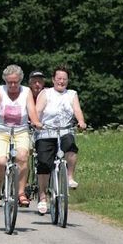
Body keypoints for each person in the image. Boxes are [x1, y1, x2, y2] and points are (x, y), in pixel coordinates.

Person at [0, 64, 41, 210]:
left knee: (23, 156)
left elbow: (31, 110)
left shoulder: (26, 91)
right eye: (9, 82)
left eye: (15, 82)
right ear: (5, 81)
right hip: (2, 132)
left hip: (21, 131)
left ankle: (21, 192)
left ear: (20, 80)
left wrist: (35, 122)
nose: (13, 85)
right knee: (1, 161)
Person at [35, 65, 86, 214]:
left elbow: (77, 110)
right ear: (53, 80)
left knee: (71, 145)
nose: (61, 81)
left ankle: (70, 177)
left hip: (65, 130)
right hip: (46, 132)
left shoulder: (72, 94)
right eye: (59, 79)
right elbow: (38, 110)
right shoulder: (46, 93)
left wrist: (81, 122)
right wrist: (37, 122)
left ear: (68, 81)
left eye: (64, 79)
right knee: (44, 163)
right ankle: (43, 197)